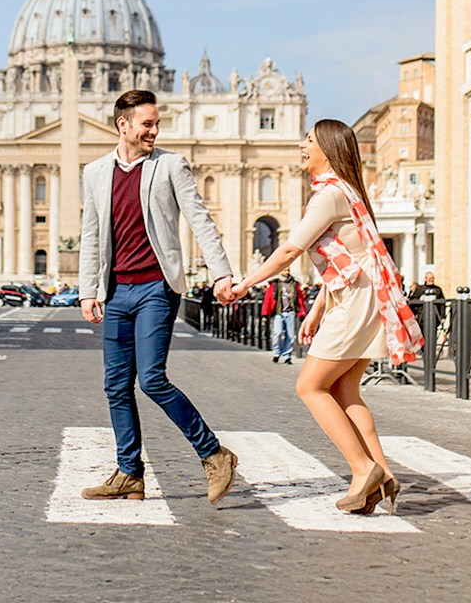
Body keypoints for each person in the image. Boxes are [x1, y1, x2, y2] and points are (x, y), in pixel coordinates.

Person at [228, 120, 423, 516]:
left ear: (328, 150)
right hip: (358, 295)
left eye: (310, 140)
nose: (302, 145)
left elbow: (289, 252)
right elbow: (347, 257)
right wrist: (319, 308)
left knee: (310, 386)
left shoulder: (328, 195)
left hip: (357, 299)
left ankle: (362, 468)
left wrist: (245, 283)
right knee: (345, 390)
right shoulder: (342, 191)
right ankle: (382, 475)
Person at [78, 89, 240, 505]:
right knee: (115, 386)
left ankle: (214, 454)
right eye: (147, 124)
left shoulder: (170, 165)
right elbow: (92, 235)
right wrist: (87, 291)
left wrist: (222, 272)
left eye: (156, 123)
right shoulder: (95, 173)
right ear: (124, 125)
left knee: (150, 378)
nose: (154, 130)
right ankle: (129, 473)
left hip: (155, 287)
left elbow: (199, 220)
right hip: (116, 292)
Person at [261, 268, 308, 364]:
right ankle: (277, 352)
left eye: (288, 270)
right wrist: (265, 314)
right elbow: (268, 299)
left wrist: (302, 312)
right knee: (277, 333)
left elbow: (299, 299)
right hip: (279, 312)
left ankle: (287, 355)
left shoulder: (294, 284)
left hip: (290, 312)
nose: (287, 272)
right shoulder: (275, 284)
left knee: (290, 335)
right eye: (285, 270)